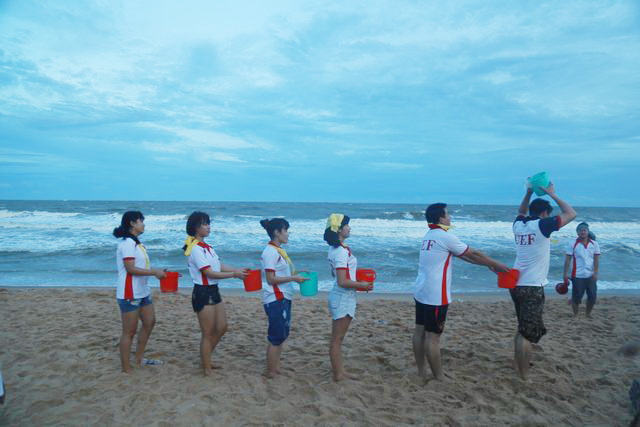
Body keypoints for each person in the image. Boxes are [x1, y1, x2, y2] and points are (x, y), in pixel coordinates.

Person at [413, 203, 510, 381]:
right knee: (433, 338)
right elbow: (474, 253)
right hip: (436, 295)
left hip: (421, 290)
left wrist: (488, 265)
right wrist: (496, 264)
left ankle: (421, 372)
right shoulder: (445, 236)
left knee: (420, 331)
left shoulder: (430, 235)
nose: (450, 217)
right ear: (441, 219)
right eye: (448, 215)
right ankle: (439, 377)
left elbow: (464, 256)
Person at [511, 183, 575, 379]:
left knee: (523, 326)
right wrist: (551, 193)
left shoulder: (518, 225)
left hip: (516, 284)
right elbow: (571, 213)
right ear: (545, 213)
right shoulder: (542, 225)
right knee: (526, 333)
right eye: (548, 213)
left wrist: (528, 192)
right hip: (532, 286)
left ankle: (520, 364)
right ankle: (523, 375)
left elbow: (521, 211)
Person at [183, 211, 249, 376]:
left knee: (222, 327)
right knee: (207, 332)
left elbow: (219, 266)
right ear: (196, 228)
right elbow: (209, 273)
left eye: (208, 223)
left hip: (214, 290)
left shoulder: (208, 248)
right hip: (202, 292)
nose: (208, 227)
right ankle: (207, 367)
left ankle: (205, 358)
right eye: (205, 224)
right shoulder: (195, 249)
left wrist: (237, 270)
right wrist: (234, 275)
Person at [113, 211, 167, 373]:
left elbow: (140, 267)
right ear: (132, 223)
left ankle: (138, 359)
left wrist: (157, 271)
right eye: (140, 221)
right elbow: (130, 269)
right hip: (129, 293)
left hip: (142, 291)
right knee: (129, 332)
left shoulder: (137, 243)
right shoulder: (127, 243)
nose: (143, 224)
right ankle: (126, 368)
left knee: (150, 322)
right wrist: (154, 272)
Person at [324, 213, 373, 381]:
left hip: (341, 295)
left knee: (337, 338)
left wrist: (356, 281)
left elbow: (339, 276)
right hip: (342, 297)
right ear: (339, 229)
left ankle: (340, 372)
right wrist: (362, 285)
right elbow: (342, 281)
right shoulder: (340, 252)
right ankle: (339, 374)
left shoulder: (335, 249)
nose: (349, 228)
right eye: (346, 225)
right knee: (337, 339)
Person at [260, 218, 307, 378]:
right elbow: (270, 279)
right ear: (276, 232)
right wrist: (294, 279)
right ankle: (270, 371)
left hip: (284, 297)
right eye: (285, 230)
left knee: (281, 334)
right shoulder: (270, 252)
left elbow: (283, 273)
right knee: (276, 336)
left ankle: (275, 367)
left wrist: (298, 273)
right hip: (275, 298)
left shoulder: (279, 250)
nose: (288, 234)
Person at [563, 222, 601, 318]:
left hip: (590, 275)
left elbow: (596, 260)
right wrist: (565, 274)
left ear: (588, 232)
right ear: (577, 232)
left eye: (584, 230)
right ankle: (575, 315)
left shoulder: (594, 244)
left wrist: (595, 273)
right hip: (577, 276)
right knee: (576, 298)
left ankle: (588, 314)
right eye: (580, 230)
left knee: (592, 297)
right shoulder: (572, 244)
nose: (583, 232)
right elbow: (567, 260)